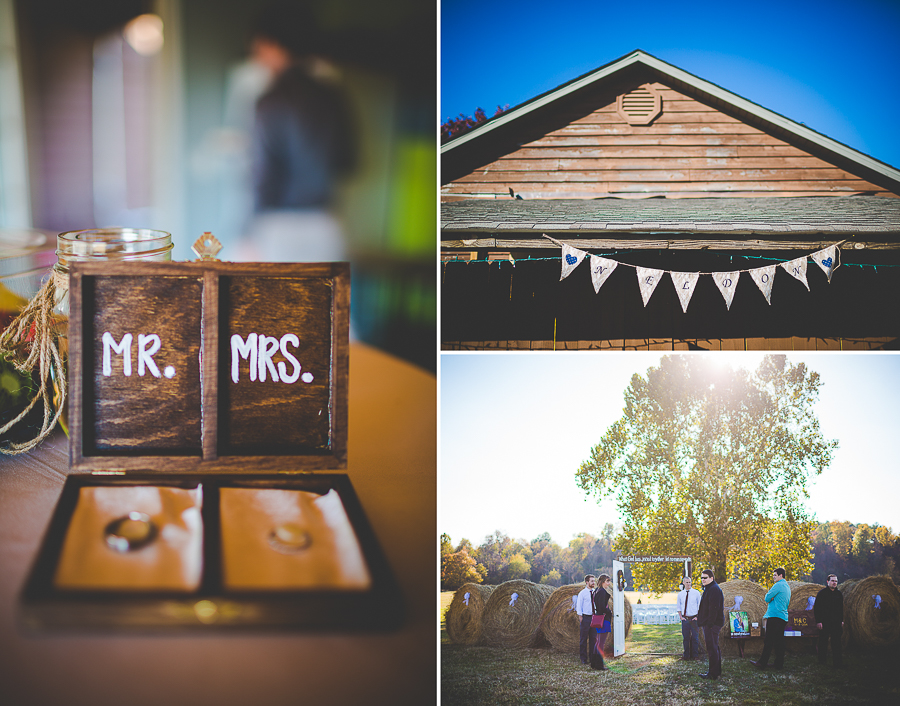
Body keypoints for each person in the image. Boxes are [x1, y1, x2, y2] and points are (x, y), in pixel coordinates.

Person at [242, 2, 357, 263]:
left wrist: (247, 233)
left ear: (272, 44)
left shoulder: (270, 101)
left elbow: (263, 174)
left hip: (278, 228)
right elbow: (349, 161)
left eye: (258, 48)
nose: (257, 57)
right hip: (326, 225)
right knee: (330, 304)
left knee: (273, 305)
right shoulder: (333, 95)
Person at [753, 567, 791, 670]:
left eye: (775, 575)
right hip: (782, 617)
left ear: (780, 575)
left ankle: (762, 663)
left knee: (768, 640)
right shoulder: (787, 586)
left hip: (774, 616)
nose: (773, 577)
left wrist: (771, 597)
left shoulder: (778, 585)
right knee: (779, 642)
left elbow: (766, 598)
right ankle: (778, 664)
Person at [697, 569, 725, 679]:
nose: (703, 579)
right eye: (702, 578)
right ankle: (716, 672)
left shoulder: (713, 589)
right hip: (711, 623)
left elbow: (714, 608)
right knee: (714, 648)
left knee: (712, 648)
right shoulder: (710, 588)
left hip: (712, 625)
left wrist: (710, 624)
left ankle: (713, 674)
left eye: (705, 577)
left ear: (711, 578)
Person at [814, 573, 844, 669]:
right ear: (828, 582)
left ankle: (837, 663)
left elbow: (841, 609)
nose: (834, 583)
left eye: (836, 581)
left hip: (836, 622)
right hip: (824, 622)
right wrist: (818, 621)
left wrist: (842, 620)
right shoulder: (822, 593)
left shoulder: (839, 594)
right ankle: (822, 662)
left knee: (837, 643)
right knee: (823, 642)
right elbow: (817, 608)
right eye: (832, 581)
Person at [590, 574, 613, 671]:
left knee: (598, 642)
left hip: (599, 619)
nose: (609, 583)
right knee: (601, 643)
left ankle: (594, 663)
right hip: (603, 619)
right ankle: (599, 665)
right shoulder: (602, 592)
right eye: (607, 581)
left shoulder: (596, 591)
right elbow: (601, 607)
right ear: (603, 581)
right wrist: (609, 612)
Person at [677, 576, 702, 660]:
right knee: (686, 638)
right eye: (687, 582)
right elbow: (678, 607)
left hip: (694, 619)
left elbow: (700, 606)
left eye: (690, 582)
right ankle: (686, 655)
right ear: (683, 583)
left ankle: (695, 655)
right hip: (685, 619)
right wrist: (681, 617)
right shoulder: (680, 594)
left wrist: (697, 617)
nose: (688, 584)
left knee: (695, 638)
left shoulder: (696, 593)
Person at [575, 574, 597, 665]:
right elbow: (579, 606)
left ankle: (592, 658)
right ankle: (583, 659)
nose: (593, 582)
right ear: (587, 582)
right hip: (585, 618)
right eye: (592, 581)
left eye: (594, 581)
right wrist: (581, 617)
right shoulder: (582, 593)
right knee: (583, 639)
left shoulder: (595, 592)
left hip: (594, 618)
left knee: (593, 639)